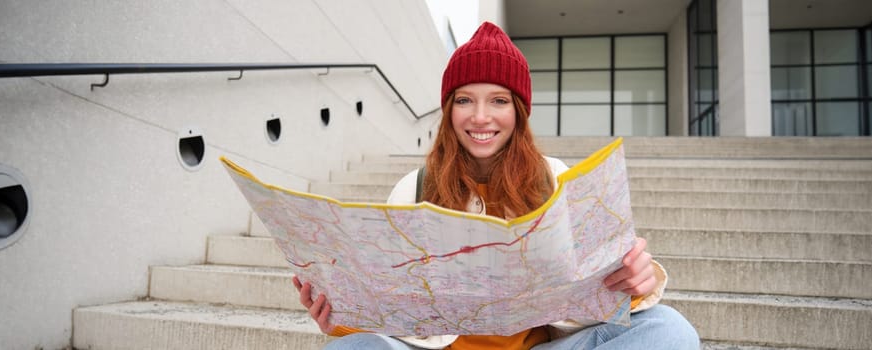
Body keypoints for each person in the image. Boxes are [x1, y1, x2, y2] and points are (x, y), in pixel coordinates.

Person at [293, 21, 700, 350]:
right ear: (449, 109)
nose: (480, 117)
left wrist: (636, 281)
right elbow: (393, 318)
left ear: (519, 111)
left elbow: (596, 295)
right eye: (465, 100)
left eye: (499, 101)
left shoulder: (555, 178)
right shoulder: (412, 190)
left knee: (670, 330)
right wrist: (340, 318)